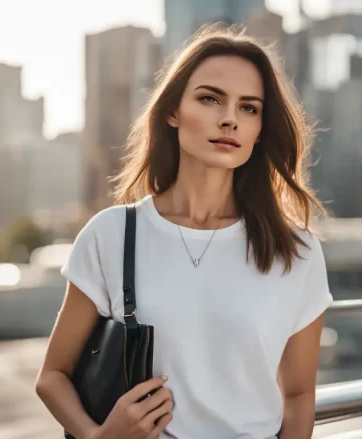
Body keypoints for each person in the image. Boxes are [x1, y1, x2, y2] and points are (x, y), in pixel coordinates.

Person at [35, 25, 333, 439]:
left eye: (248, 108)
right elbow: (52, 375)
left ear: (260, 130)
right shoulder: (112, 233)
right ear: (173, 111)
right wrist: (98, 437)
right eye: (210, 99)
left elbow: (299, 395)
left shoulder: (296, 250)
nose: (229, 118)